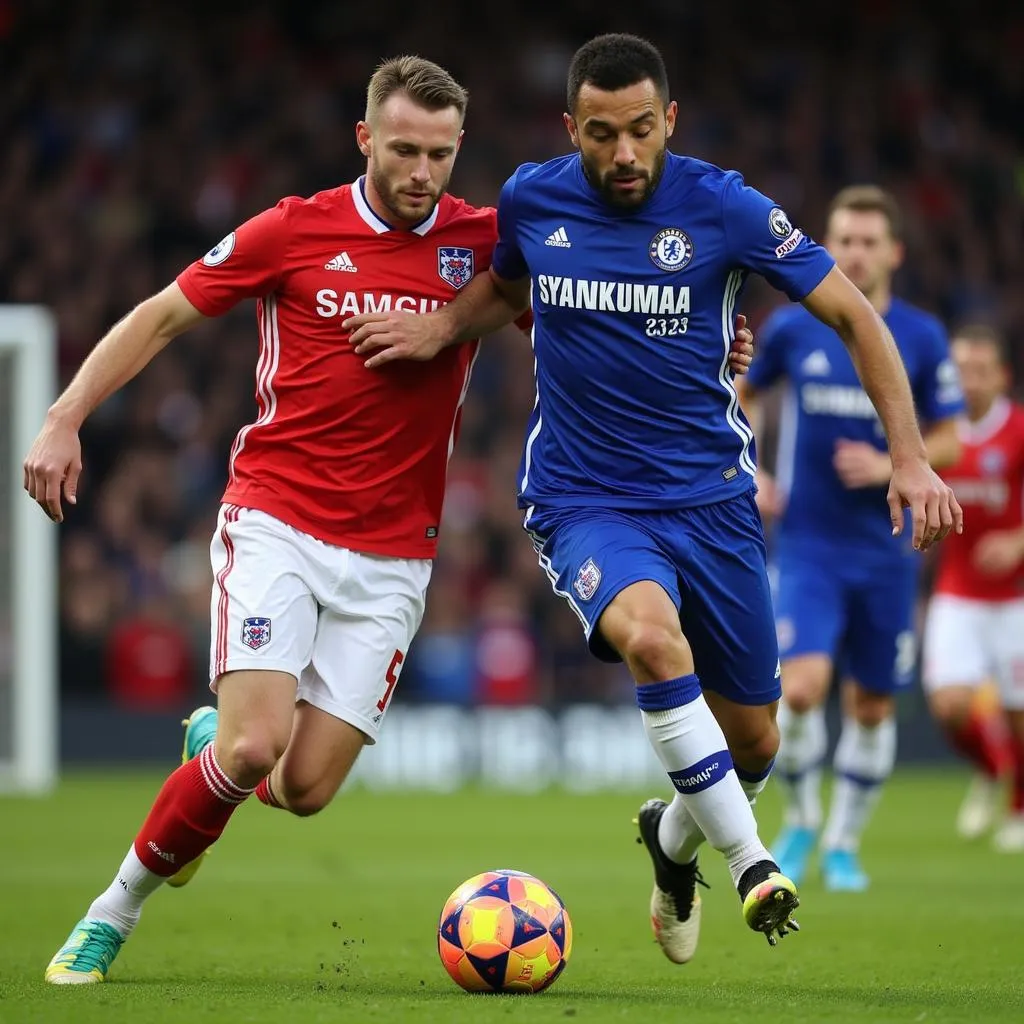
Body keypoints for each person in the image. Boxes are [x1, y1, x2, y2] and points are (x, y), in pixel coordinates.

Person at [29, 52, 754, 986]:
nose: (422, 174)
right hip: (277, 518)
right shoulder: (294, 230)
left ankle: (206, 753)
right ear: (366, 138)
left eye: (442, 156)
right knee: (257, 745)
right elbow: (164, 316)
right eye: (404, 150)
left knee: (301, 788)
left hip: (393, 558)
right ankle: (111, 912)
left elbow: (602, 313)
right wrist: (62, 416)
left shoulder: (485, 244)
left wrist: (711, 334)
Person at [343, 34, 962, 963]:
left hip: (712, 503)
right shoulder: (532, 195)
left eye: (641, 130)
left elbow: (854, 315)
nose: (623, 153)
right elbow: (503, 289)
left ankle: (672, 845)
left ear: (669, 119)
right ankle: (754, 865)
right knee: (648, 635)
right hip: (584, 496)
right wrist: (439, 326)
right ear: (571, 129)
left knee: (756, 740)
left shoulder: (726, 207)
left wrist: (909, 458)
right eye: (601, 133)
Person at [737, 186, 964, 892]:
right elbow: (739, 390)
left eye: (869, 241)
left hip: (889, 551)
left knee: (871, 704)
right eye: (844, 240)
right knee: (800, 690)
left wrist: (894, 463)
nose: (855, 253)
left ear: (893, 252)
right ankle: (803, 821)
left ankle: (844, 841)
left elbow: (954, 436)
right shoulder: (793, 328)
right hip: (808, 544)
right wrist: (750, 468)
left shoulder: (922, 338)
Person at [922, 324, 1024, 852]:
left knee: (1018, 711)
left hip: (1014, 597)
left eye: (981, 370)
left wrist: (1017, 541)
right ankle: (991, 768)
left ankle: (1019, 807)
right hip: (958, 590)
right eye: (961, 369)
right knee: (949, 707)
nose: (970, 381)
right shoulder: (939, 435)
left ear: (1002, 376)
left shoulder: (1019, 431)